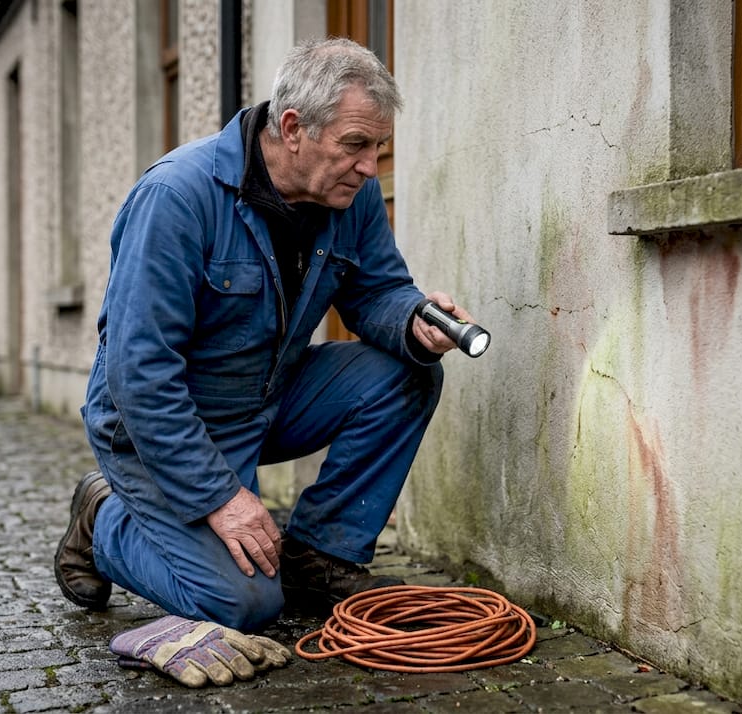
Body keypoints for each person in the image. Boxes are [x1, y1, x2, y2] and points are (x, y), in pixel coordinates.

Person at [53, 38, 477, 684]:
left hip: (264, 400)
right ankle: (102, 516)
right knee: (242, 603)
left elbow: (378, 292)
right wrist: (222, 498)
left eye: (377, 148)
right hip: (153, 431)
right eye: (357, 145)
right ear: (292, 128)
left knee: (406, 373)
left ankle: (319, 554)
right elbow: (139, 376)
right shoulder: (177, 197)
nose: (370, 167)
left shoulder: (348, 197)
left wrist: (415, 324)